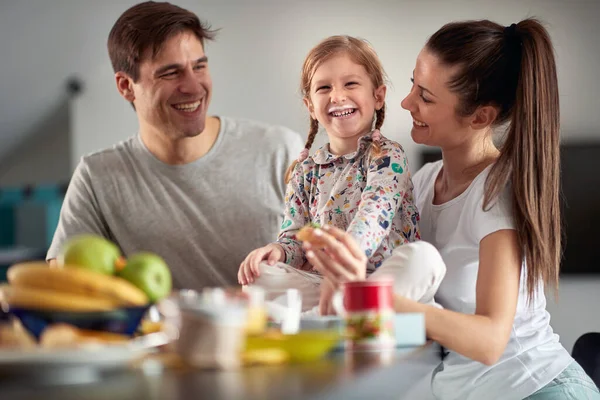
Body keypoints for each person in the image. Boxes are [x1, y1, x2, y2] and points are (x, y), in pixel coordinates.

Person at [304, 19, 600, 400]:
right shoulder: (424, 182)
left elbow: (491, 340)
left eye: (425, 97)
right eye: (413, 82)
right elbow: (417, 310)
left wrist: (376, 298)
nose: (407, 101)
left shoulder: (497, 197)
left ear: (480, 117)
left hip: (535, 388)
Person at [46, 1, 304, 290]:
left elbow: (323, 262)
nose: (193, 87)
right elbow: (64, 285)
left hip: (278, 334)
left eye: (199, 66)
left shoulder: (280, 150)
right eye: (171, 73)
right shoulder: (97, 176)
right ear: (125, 86)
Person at [238, 36, 443, 314]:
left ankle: (333, 314)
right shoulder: (305, 171)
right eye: (324, 88)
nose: (337, 96)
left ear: (378, 96)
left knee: (425, 259)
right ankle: (344, 312)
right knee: (260, 275)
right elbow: (296, 235)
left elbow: (375, 214)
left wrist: (344, 263)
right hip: (328, 283)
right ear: (310, 106)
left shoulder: (386, 156)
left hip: (384, 279)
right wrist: (280, 251)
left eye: (350, 84)